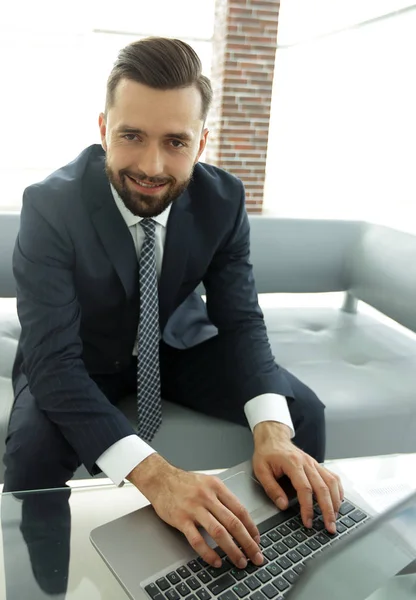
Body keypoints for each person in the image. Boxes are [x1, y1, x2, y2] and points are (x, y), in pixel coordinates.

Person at [3, 37, 343, 571]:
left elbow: (240, 320)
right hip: (76, 357)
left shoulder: (223, 201)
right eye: (131, 136)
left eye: (176, 142)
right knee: (31, 453)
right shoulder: (50, 206)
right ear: (101, 130)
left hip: (172, 342)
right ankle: (40, 585)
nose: (151, 164)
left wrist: (271, 433)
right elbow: (52, 362)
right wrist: (159, 479)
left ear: (201, 142)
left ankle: (274, 566)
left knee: (298, 413)